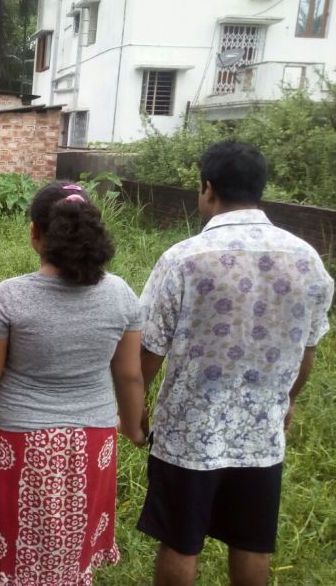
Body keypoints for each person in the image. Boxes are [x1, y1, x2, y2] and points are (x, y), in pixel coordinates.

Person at [136, 140, 334, 586]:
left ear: (207, 188)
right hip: (261, 433)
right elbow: (308, 351)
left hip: (189, 432)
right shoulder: (308, 259)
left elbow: (149, 350)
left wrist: (134, 408)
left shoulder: (184, 259)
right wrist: (287, 401)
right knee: (251, 543)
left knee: (181, 541)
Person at [0, 181, 147, 586]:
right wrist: (135, 428)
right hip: (94, 443)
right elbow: (130, 374)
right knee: (72, 551)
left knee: (19, 554)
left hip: (20, 444)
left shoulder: (10, 297)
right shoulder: (121, 296)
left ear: (35, 233)